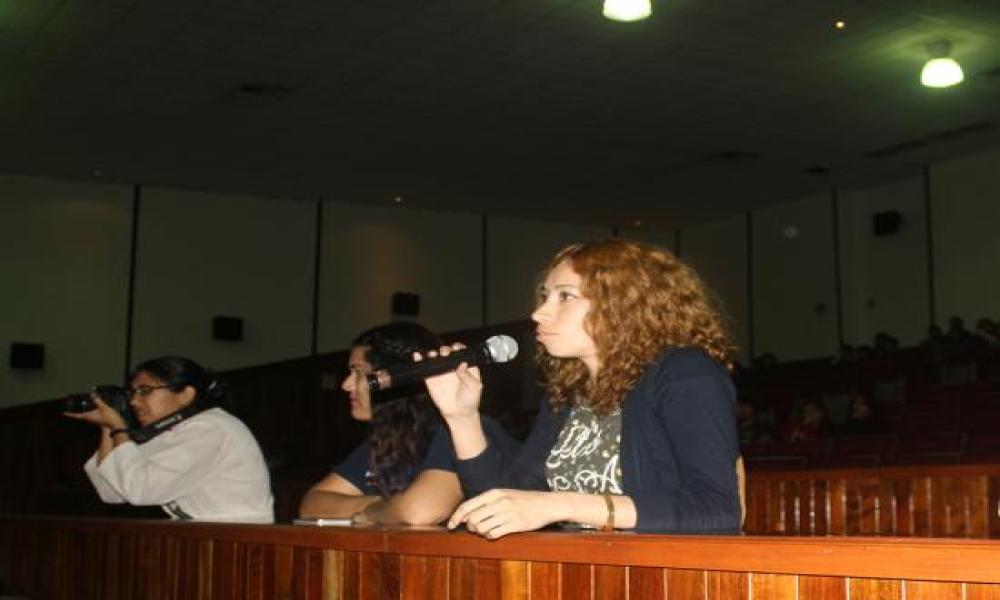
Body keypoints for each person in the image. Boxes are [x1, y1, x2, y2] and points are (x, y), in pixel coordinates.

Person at [423, 239, 743, 539]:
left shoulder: (684, 373)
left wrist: (562, 504)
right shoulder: (569, 394)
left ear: (625, 304)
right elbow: (502, 504)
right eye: (545, 295)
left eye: (565, 296)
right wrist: (462, 418)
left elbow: (718, 511)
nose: (539, 313)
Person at [67, 356, 273, 523]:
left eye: (145, 391)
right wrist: (107, 427)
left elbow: (140, 490)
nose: (134, 401)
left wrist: (118, 428)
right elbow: (112, 490)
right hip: (204, 535)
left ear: (186, 394)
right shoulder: (177, 430)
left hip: (238, 538)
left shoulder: (211, 429)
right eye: (132, 393)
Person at [298, 322, 465, 526]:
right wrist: (380, 507)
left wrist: (374, 512)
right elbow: (311, 504)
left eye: (358, 372)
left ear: (395, 377)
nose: (346, 385)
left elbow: (420, 511)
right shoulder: (387, 439)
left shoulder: (457, 431)